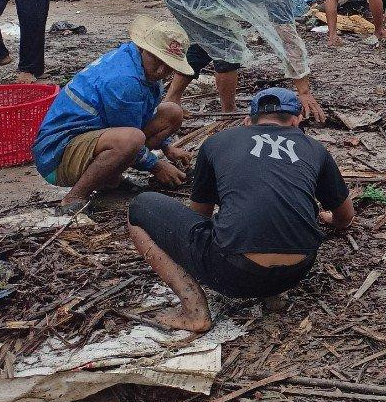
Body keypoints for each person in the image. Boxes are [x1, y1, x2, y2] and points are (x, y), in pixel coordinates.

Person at [127, 87, 354, 332]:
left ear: (247, 121)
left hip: (232, 274)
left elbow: (198, 215)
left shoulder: (218, 142)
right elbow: (345, 218)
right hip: (297, 271)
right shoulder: (315, 148)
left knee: (140, 207)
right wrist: (328, 219)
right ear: (296, 121)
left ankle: (194, 311)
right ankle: (272, 295)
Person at [161, 0, 334, 121]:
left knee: (205, 44)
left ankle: (171, 100)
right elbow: (288, 39)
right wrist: (304, 91)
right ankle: (228, 112)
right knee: (229, 48)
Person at [32, 14, 191, 215]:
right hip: (57, 157)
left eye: (169, 66)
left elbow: (141, 116)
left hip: (89, 139)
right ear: (143, 49)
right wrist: (157, 166)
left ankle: (109, 179)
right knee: (130, 139)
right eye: (157, 60)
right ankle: (74, 198)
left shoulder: (137, 64)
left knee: (172, 113)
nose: (161, 70)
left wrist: (167, 148)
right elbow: (132, 137)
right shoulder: (125, 80)